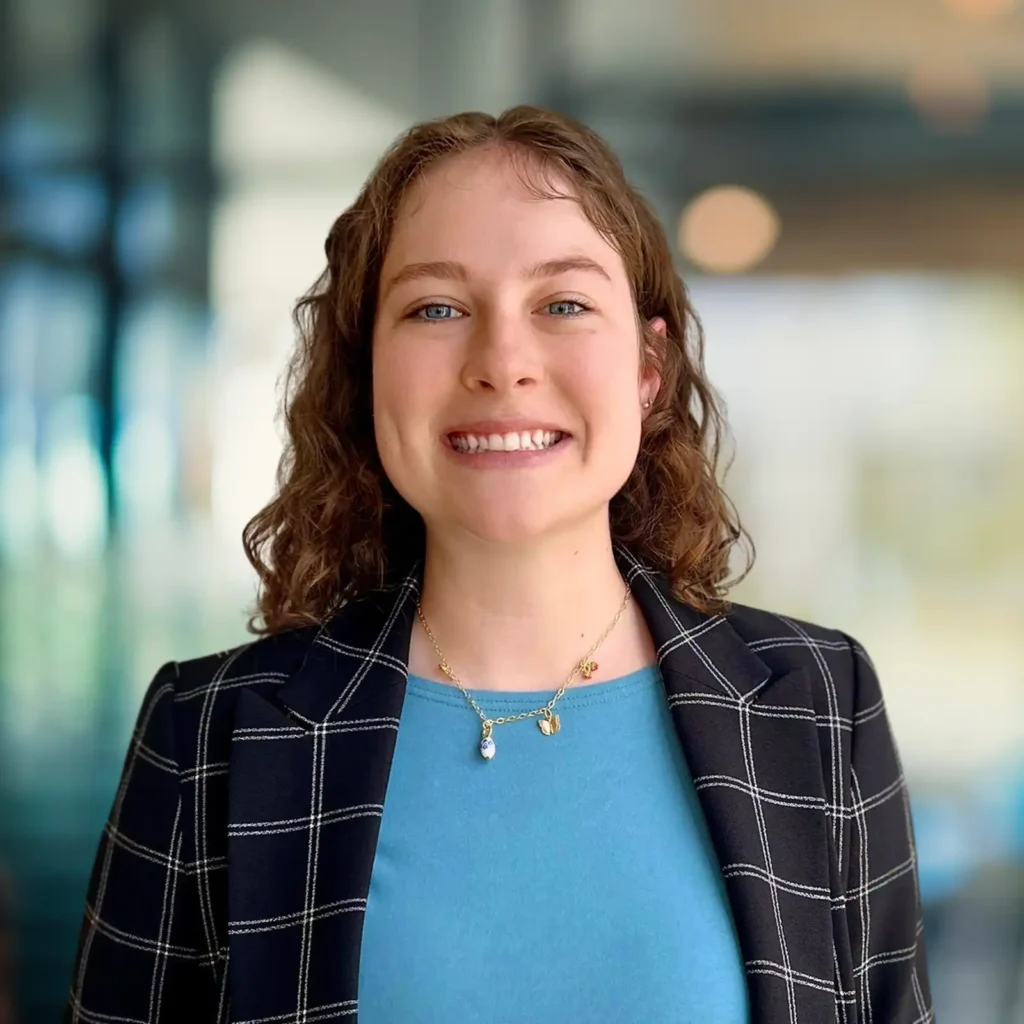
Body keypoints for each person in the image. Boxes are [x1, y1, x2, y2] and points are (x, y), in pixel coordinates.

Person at [64, 105, 932, 1023]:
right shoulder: (208, 736)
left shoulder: (819, 706)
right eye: (436, 309)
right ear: (367, 372)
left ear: (648, 367)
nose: (503, 362)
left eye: (563, 304)